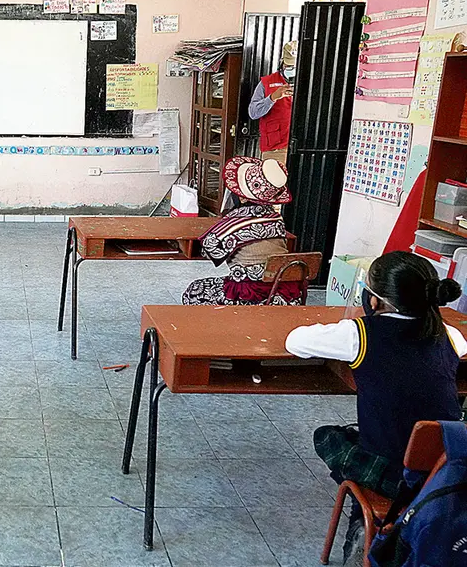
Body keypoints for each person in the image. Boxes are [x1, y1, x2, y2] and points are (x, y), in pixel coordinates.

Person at [286, 251, 467, 565]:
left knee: (330, 437)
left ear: (373, 301)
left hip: (394, 472)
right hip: (448, 467)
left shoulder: (359, 334)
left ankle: (363, 528)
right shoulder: (451, 337)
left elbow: (295, 341)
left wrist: (352, 325)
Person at [183, 156, 302, 306]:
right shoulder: (277, 219)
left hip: (250, 294)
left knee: (194, 291)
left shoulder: (236, 221)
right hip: (283, 291)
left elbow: (209, 250)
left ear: (243, 198)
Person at [248, 40, 298, 164]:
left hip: (300, 148)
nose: (291, 69)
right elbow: (252, 112)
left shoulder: (308, 81)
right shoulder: (267, 82)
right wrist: (272, 98)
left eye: (295, 66)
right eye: (289, 66)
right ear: (282, 63)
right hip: (275, 149)